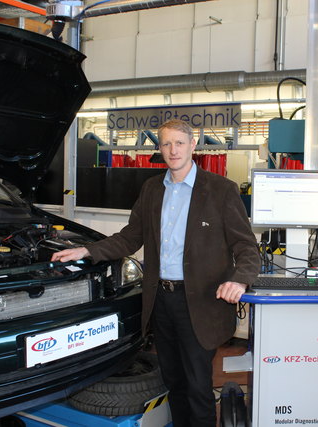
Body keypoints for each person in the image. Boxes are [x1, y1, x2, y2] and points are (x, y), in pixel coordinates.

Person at [51, 119, 260, 427]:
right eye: (166, 144)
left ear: (192, 146)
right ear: (159, 148)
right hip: (162, 300)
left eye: (179, 143)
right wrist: (87, 251)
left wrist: (239, 278)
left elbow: (246, 247)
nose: (172, 150)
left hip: (201, 303)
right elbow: (130, 237)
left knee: (198, 387)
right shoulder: (151, 189)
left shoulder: (220, 191)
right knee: (173, 381)